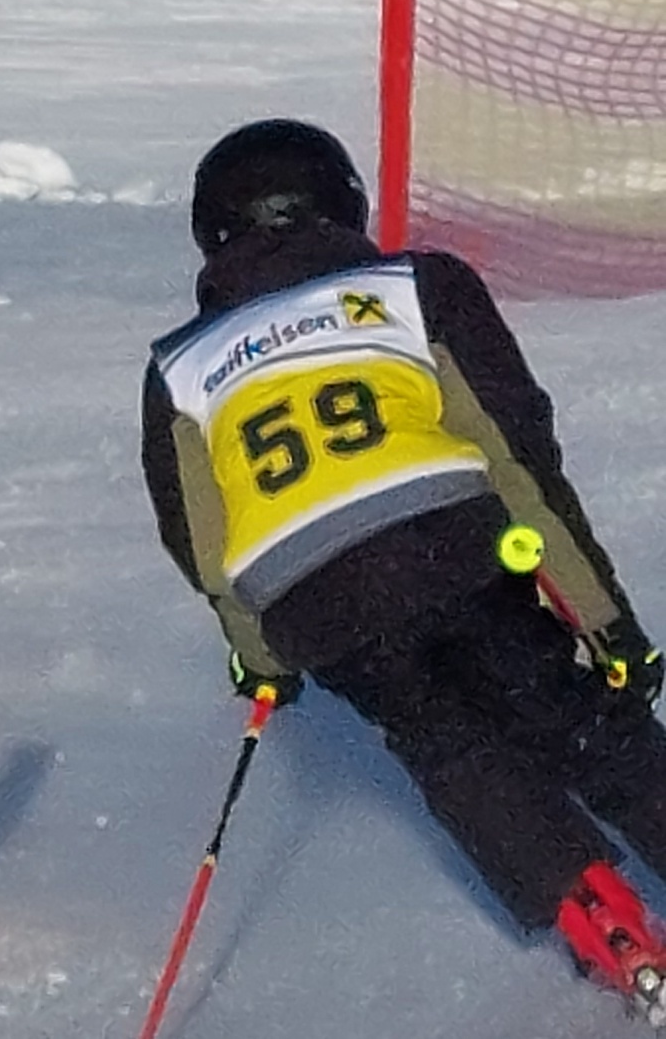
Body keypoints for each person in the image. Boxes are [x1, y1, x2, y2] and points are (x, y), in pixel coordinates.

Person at [143, 118, 666, 1013]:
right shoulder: (416, 286)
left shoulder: (179, 366)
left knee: (439, 737)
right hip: (452, 541)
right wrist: (608, 624)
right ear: (342, 201)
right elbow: (518, 459)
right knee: (567, 706)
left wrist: (259, 654)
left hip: (310, 598)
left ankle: (600, 919)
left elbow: (202, 540)